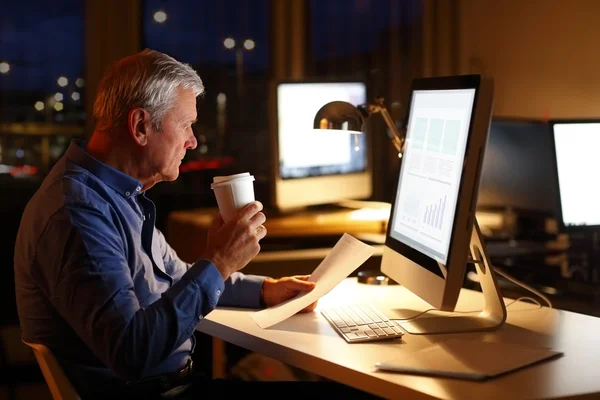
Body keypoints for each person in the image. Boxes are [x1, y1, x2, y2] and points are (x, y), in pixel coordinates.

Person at [14, 49, 378, 399]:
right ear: (141, 126)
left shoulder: (116, 193)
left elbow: (174, 277)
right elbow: (132, 352)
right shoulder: (79, 213)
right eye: (186, 125)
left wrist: (265, 290)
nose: (193, 141)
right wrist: (218, 262)